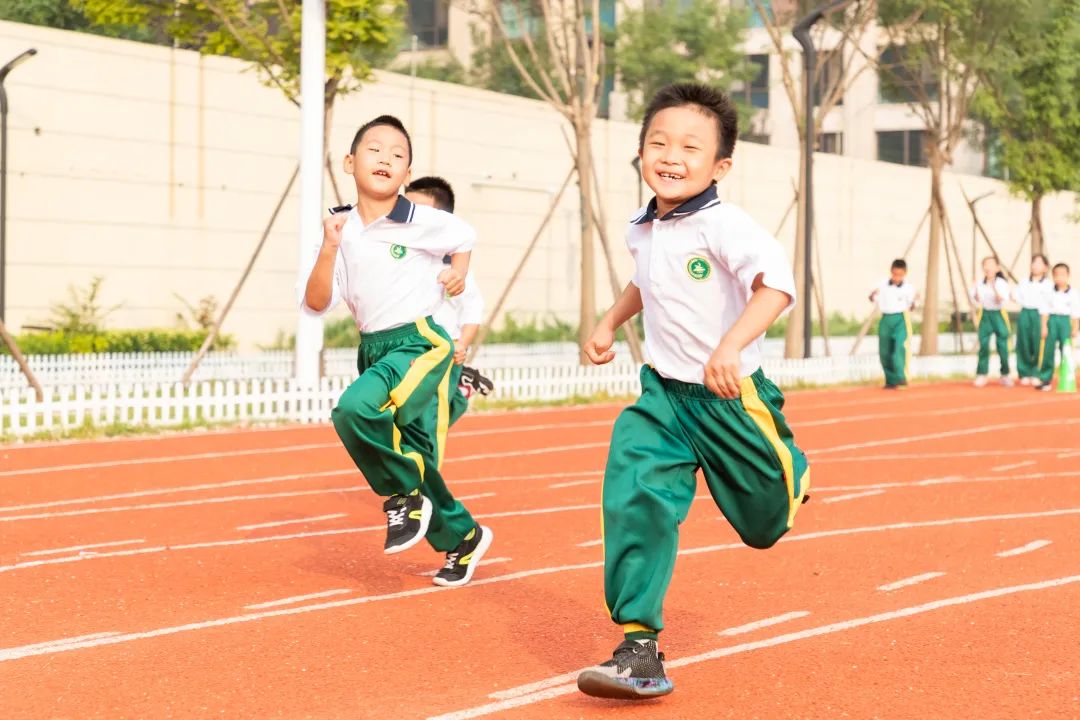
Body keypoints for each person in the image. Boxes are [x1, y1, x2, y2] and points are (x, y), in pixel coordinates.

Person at [576, 83, 809, 701]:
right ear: (641, 153)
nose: (670, 156)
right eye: (658, 143)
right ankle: (639, 646)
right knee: (634, 494)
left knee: (766, 524)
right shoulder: (641, 226)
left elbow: (776, 286)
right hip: (663, 398)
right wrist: (608, 320)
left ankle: (791, 473)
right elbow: (643, 281)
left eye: (689, 146)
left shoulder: (725, 224)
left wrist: (730, 347)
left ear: (719, 165)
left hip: (729, 398)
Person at [301, 115, 493, 588]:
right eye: (375, 149)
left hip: (421, 341)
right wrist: (328, 247)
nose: (386, 158)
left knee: (353, 410)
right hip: (374, 348)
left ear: (407, 174)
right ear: (349, 162)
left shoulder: (419, 219)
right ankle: (462, 536)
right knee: (413, 457)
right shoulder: (339, 229)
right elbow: (316, 302)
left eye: (398, 154)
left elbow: (463, 236)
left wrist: (460, 273)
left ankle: (401, 497)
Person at [404, 176, 489, 425]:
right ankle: (458, 395)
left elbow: (472, 309)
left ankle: (458, 394)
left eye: (421, 214)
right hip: (401, 353)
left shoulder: (452, 269)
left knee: (427, 426)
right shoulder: (398, 258)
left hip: (438, 356)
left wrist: (462, 344)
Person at [869, 258, 919, 389]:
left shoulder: (909, 288)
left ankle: (902, 378)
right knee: (885, 351)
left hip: (901, 319)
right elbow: (872, 298)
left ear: (905, 274)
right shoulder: (882, 284)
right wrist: (872, 295)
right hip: (886, 318)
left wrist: (915, 302)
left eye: (900, 275)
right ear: (891, 272)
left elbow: (913, 305)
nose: (897, 278)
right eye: (895, 274)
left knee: (899, 349)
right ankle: (890, 380)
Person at [1035, 263, 1080, 391]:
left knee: (1066, 350)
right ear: (1053, 277)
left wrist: (1075, 327)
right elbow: (1044, 310)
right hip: (1052, 320)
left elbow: (1075, 312)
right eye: (1057, 275)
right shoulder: (1049, 292)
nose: (1060, 278)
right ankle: (1045, 379)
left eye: (1063, 275)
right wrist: (1044, 326)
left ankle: (1067, 376)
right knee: (1048, 350)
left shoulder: (1073, 293)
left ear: (1068, 276)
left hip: (1065, 321)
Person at [970, 256, 1013, 387]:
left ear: (997, 268)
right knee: (983, 345)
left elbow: (1001, 299)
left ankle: (1005, 374)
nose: (988, 267)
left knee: (1003, 346)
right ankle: (982, 374)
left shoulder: (1001, 283)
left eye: (991, 265)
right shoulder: (979, 283)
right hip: (985, 314)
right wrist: (976, 291)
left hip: (999, 314)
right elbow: (976, 299)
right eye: (985, 265)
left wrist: (994, 287)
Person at [1013, 254, 1053, 385]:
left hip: (1040, 314)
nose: (1035, 265)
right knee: (1023, 343)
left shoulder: (1048, 284)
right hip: (1025, 312)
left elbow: (1048, 303)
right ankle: (1024, 372)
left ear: (1045, 268)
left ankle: (1037, 372)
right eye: (1034, 262)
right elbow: (1016, 296)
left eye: (1039, 263)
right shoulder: (1024, 282)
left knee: (1038, 344)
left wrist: (1044, 324)